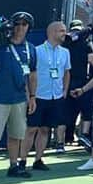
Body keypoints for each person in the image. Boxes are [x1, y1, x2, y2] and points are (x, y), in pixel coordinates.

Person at [0, 11, 37, 180]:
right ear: (11, 26)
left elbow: (33, 74)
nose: (20, 27)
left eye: (24, 24)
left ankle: (14, 165)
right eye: (17, 24)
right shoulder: (0, 45)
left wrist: (32, 96)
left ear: (28, 28)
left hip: (19, 99)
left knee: (16, 134)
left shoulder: (30, 49)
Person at [21, 21, 70, 171]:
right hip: (39, 96)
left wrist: (64, 91)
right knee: (31, 129)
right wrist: (29, 95)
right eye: (61, 31)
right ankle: (22, 161)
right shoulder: (37, 51)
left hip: (56, 97)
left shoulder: (65, 52)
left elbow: (67, 72)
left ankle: (38, 159)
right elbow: (28, 74)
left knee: (45, 129)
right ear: (52, 32)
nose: (64, 34)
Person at [63, 19, 93, 149]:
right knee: (86, 112)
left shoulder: (66, 42)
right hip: (83, 81)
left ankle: (63, 140)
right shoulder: (86, 40)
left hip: (70, 80)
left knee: (67, 112)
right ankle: (83, 135)